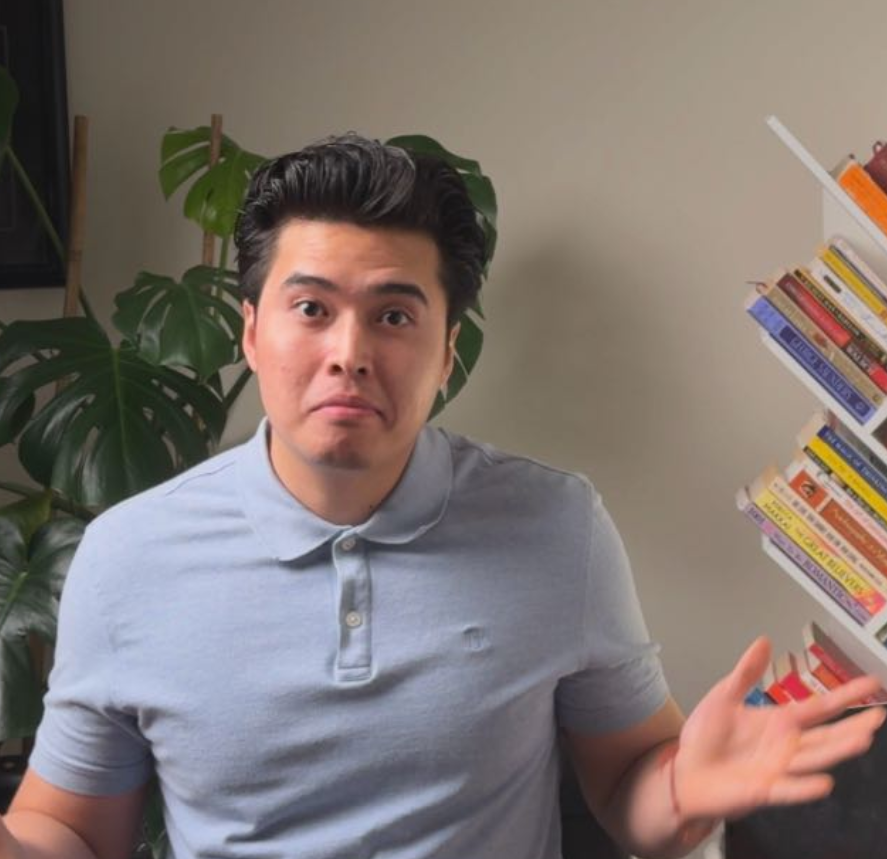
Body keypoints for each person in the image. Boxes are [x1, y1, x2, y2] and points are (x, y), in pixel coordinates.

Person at [1, 134, 884, 859]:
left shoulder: (556, 526)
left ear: (446, 351)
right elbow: (69, 830)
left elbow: (628, 786)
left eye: (393, 315)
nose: (349, 353)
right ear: (252, 331)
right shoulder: (129, 555)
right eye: (311, 309)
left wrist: (683, 789)